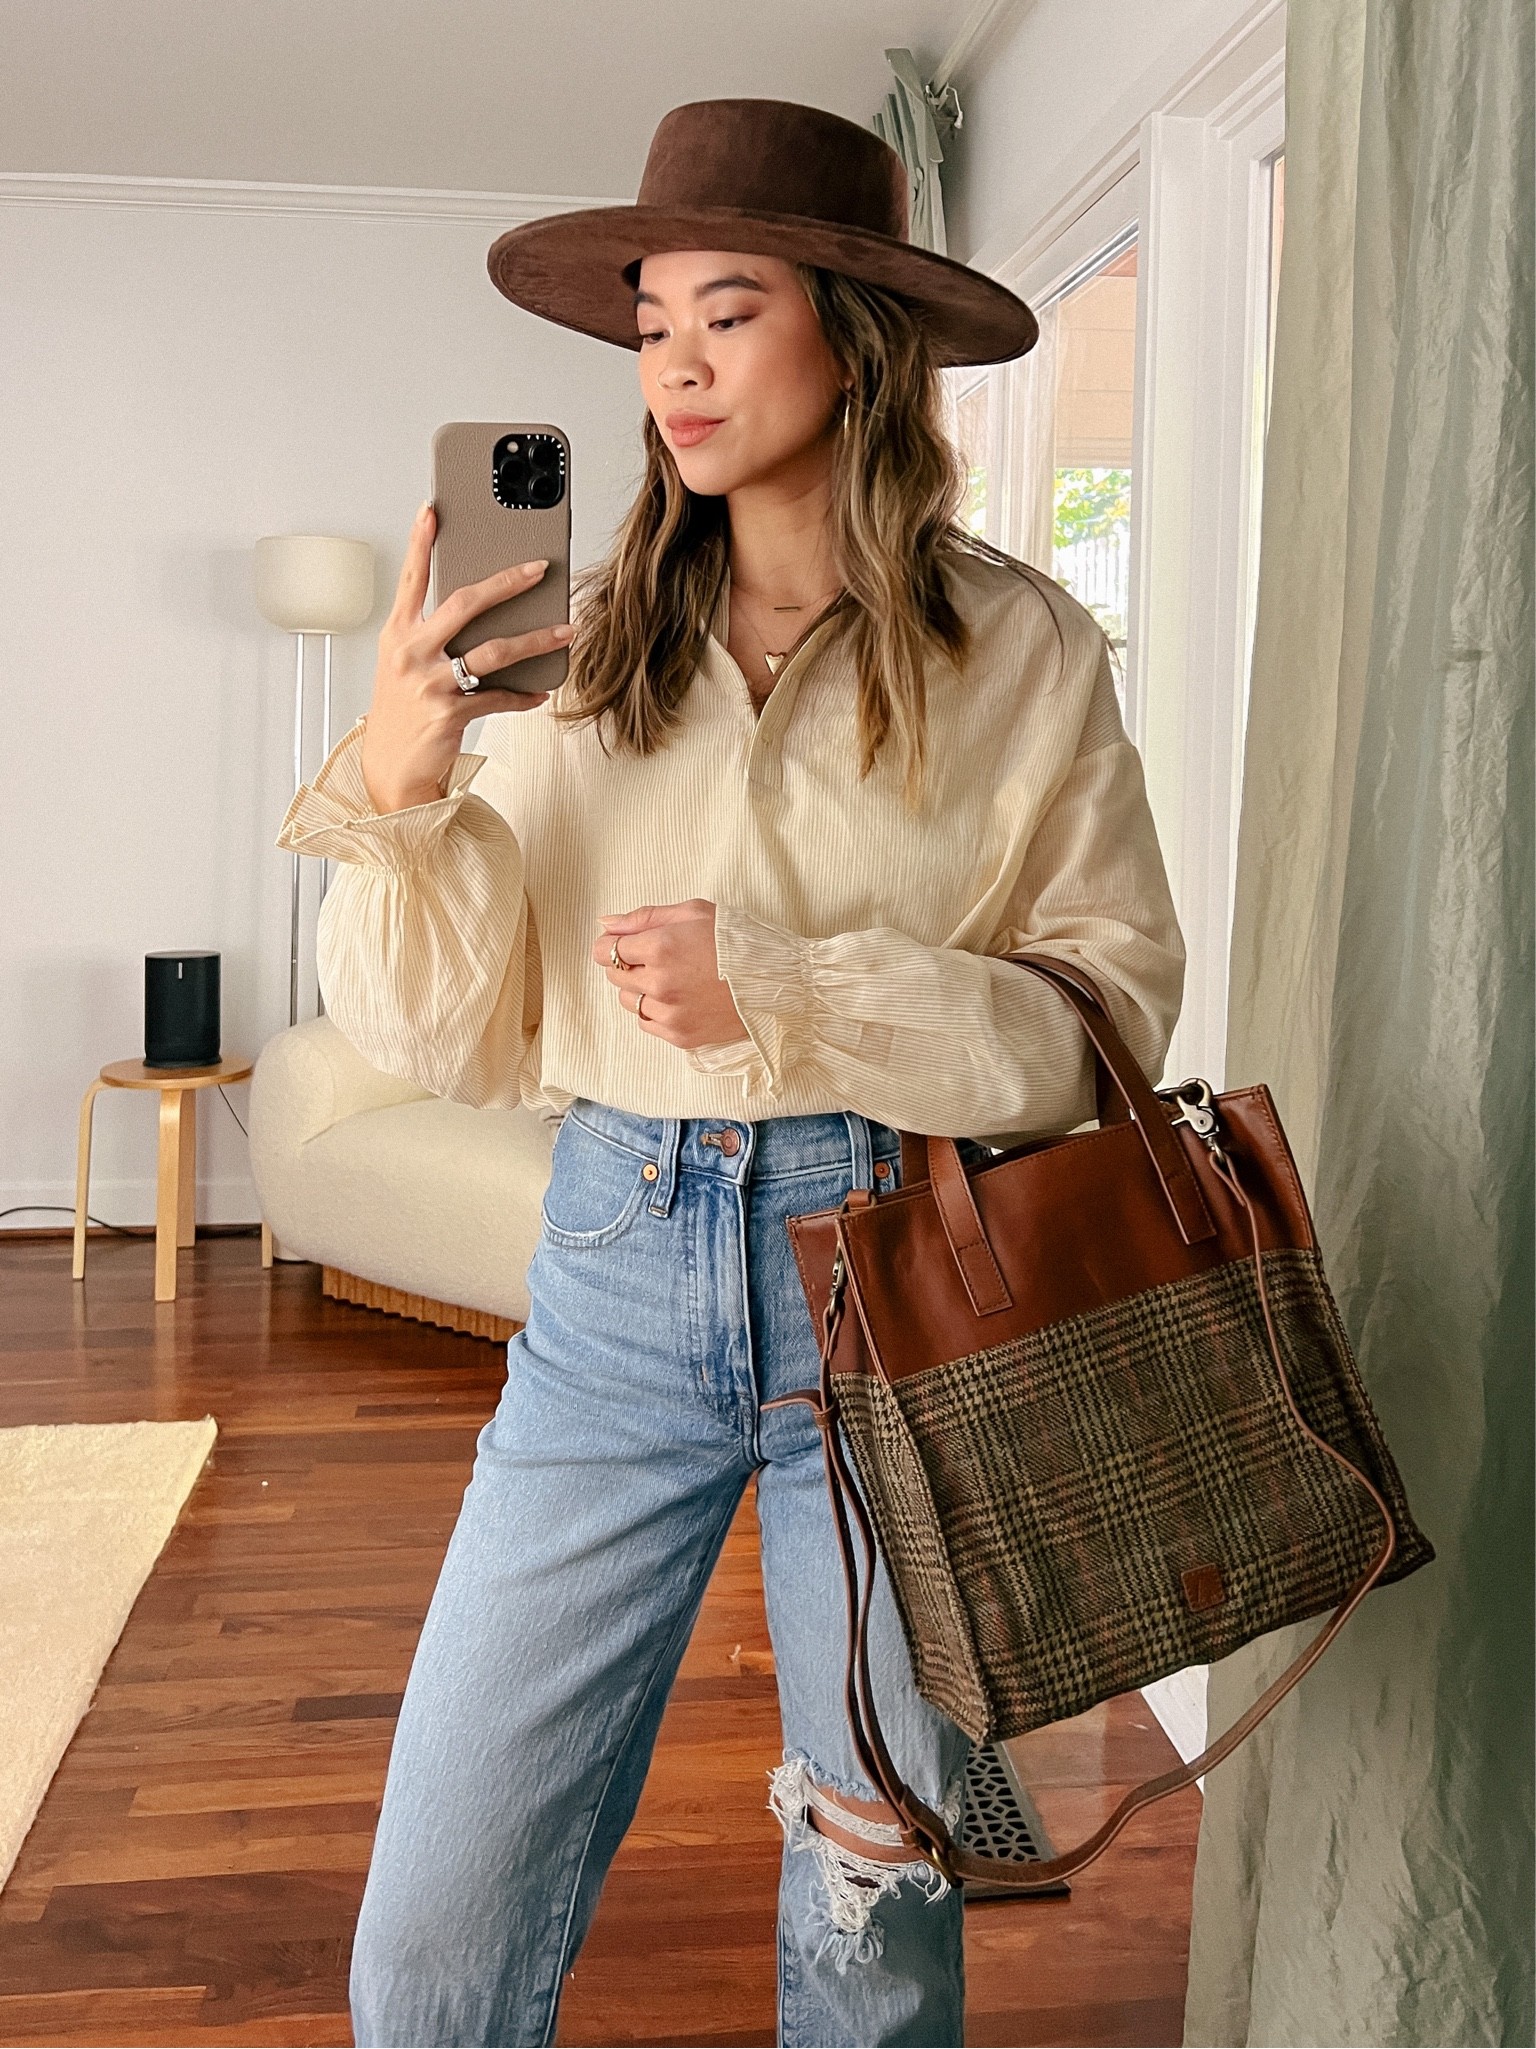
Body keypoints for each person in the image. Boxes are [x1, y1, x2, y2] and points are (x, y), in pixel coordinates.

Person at [278, 97, 1185, 2049]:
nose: (674, 364)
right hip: (615, 1263)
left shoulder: (1021, 649)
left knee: (878, 1917)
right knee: (440, 1914)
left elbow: (1108, 1021)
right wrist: (405, 790)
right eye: (650, 323)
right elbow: (432, 1032)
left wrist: (789, 985)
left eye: (729, 309)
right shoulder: (579, 654)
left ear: (856, 335)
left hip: (902, 1288)